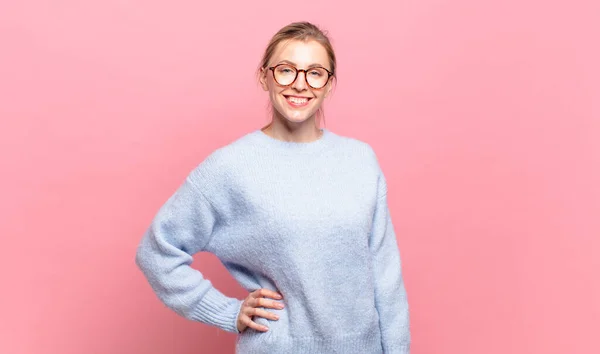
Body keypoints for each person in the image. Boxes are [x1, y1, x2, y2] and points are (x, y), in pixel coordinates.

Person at [135, 21, 411, 353]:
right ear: (264, 76)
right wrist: (229, 313)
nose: (300, 84)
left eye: (315, 72)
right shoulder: (231, 167)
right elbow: (157, 252)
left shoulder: (360, 160)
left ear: (329, 84)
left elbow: (386, 274)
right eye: (286, 70)